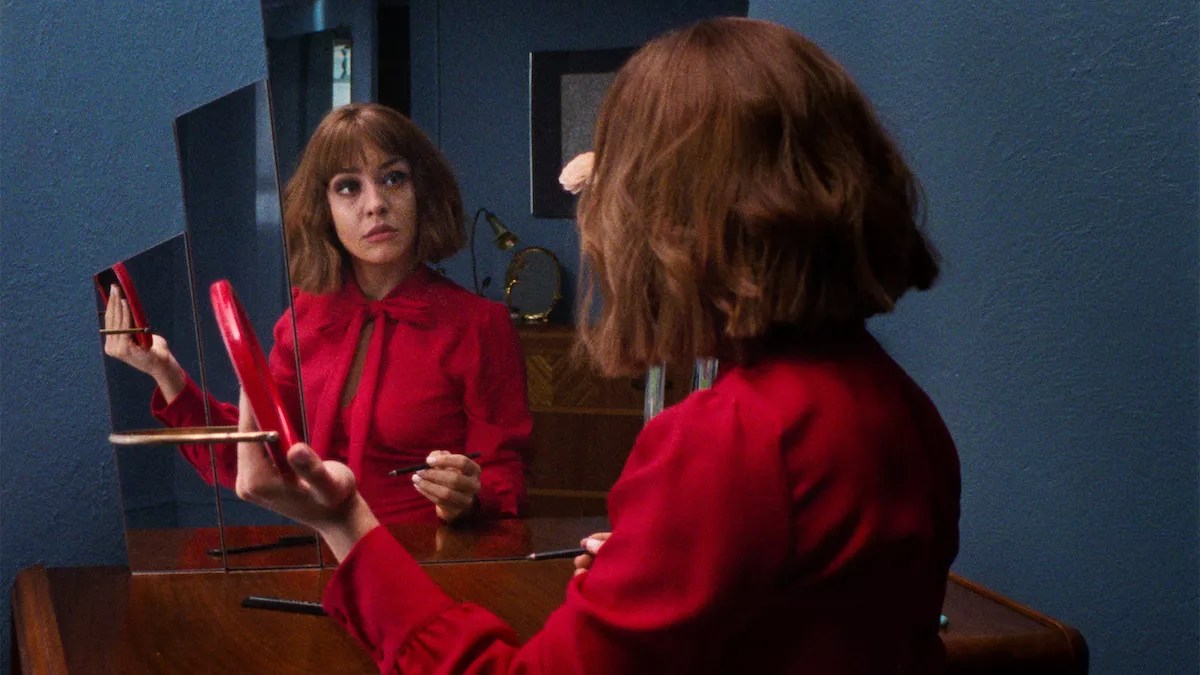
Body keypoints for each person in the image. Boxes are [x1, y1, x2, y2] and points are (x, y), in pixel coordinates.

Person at [233, 17, 960, 673]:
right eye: (348, 188)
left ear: (679, 218)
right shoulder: (901, 404)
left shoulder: (726, 440)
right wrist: (664, 564)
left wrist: (344, 524)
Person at [103, 103, 532, 525]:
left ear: (423, 192)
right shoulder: (304, 318)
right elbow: (249, 460)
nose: (375, 204)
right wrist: (164, 371)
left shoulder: (479, 324)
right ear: (323, 208)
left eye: (393, 178)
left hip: (434, 558)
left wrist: (467, 497)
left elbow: (506, 479)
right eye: (348, 187)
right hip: (328, 556)